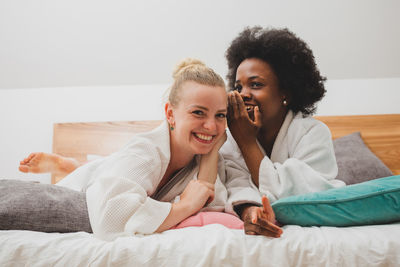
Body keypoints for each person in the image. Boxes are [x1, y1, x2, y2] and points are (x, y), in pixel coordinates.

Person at [22, 58, 238, 241]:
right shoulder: (145, 150)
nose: (211, 126)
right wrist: (184, 206)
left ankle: (74, 165)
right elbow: (110, 220)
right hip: (80, 193)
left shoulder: (209, 159)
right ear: (170, 115)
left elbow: (212, 202)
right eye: (199, 113)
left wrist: (213, 148)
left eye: (220, 115)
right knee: (105, 170)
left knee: (110, 165)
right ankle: (72, 167)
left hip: (114, 171)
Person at [220, 26, 346, 235]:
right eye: (238, 87)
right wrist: (250, 211)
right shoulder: (231, 137)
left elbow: (300, 195)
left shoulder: (312, 132)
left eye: (256, 84)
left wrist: (248, 142)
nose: (243, 95)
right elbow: (236, 184)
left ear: (285, 92)